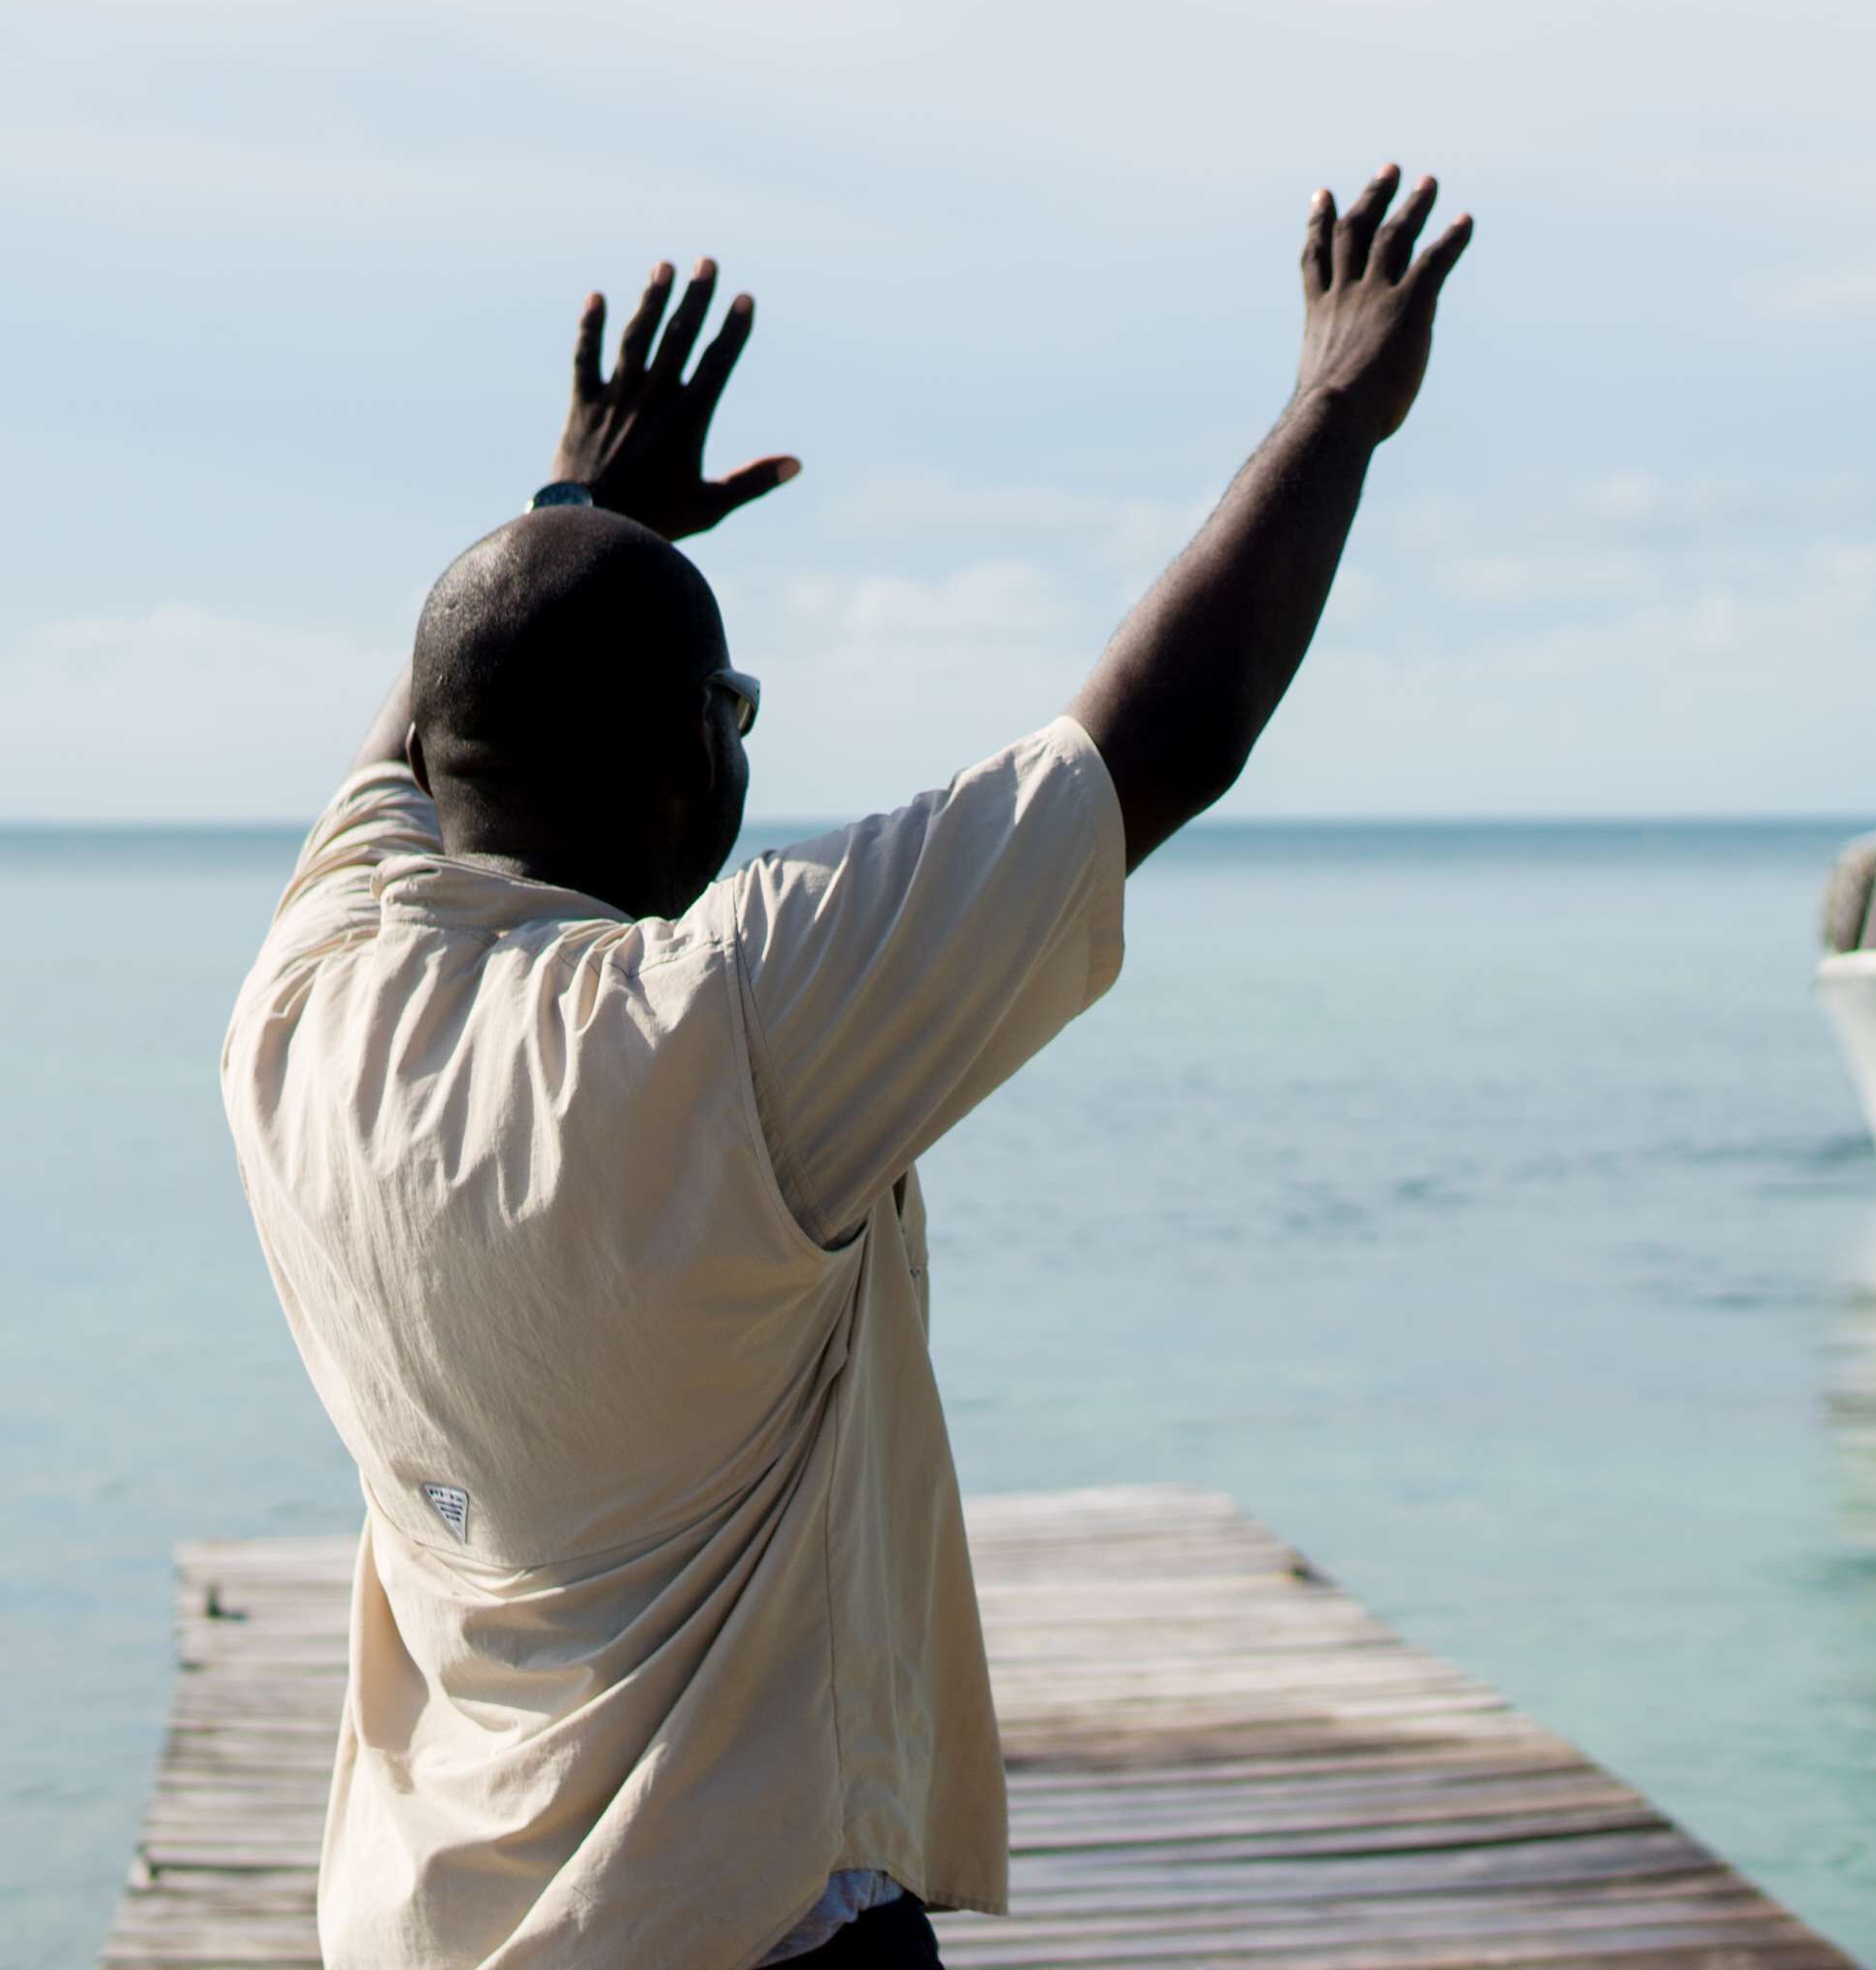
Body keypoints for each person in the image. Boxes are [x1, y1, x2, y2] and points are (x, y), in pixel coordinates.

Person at [218, 168, 1474, 1970]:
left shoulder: (302, 997)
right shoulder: (721, 1030)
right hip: (740, 1928)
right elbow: (1159, 745)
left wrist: (580, 511)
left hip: (424, 1921)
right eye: (732, 710)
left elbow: (433, 716)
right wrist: (1338, 405)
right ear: (680, 764)